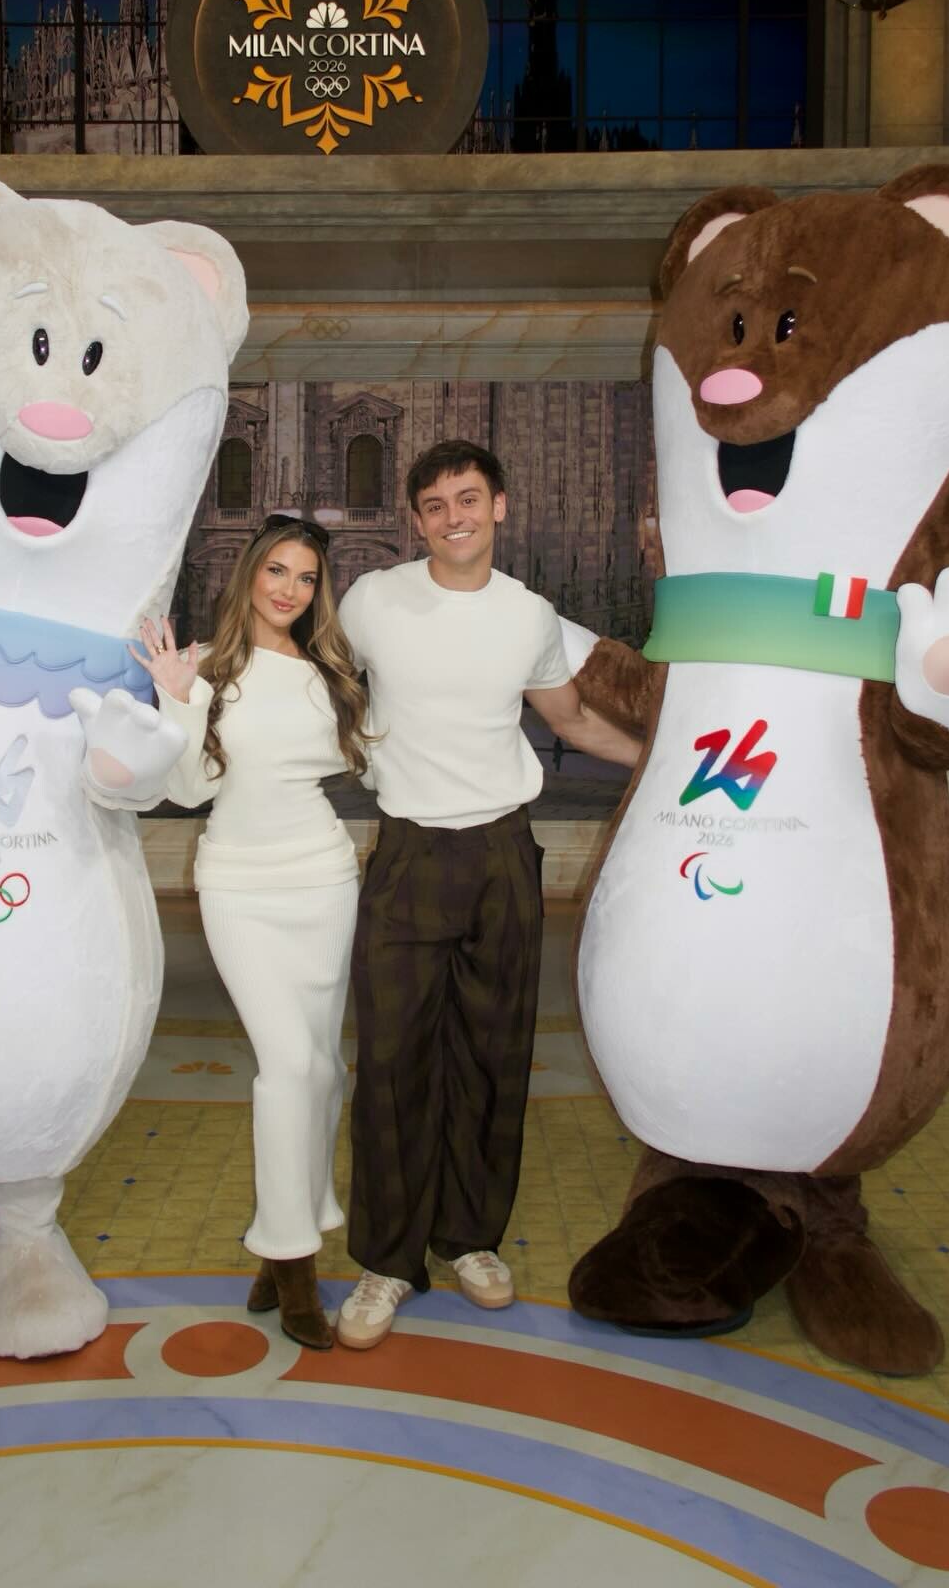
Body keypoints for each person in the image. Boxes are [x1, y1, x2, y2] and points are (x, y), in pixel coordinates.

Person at [334, 439, 642, 1350]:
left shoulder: (528, 615)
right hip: (407, 853)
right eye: (434, 505)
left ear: (499, 506)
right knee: (392, 1064)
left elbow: (571, 720)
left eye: (468, 499)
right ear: (416, 520)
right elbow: (317, 680)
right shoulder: (372, 600)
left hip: (503, 853)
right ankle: (388, 1262)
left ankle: (469, 1239)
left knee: (493, 1055)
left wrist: (662, 762)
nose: (453, 518)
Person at [133, 515, 372, 1350]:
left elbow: (359, 761)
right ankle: (295, 1260)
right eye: (277, 571)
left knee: (322, 1068)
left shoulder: (331, 672)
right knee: (288, 1066)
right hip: (238, 883)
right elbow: (189, 789)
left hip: (324, 878)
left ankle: (283, 1245)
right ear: (250, 574)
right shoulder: (208, 668)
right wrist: (176, 697)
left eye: (306, 578)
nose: (289, 590)